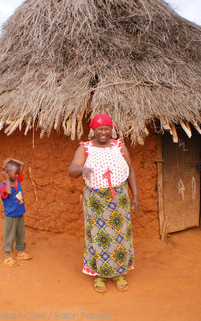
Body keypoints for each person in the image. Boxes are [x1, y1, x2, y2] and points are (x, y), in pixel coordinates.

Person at [68, 114, 140, 293]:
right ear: (93, 130)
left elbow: (130, 170)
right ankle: (100, 275)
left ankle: (118, 274)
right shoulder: (85, 149)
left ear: (111, 129)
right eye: (99, 129)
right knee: (98, 237)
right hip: (96, 202)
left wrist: (135, 196)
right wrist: (82, 168)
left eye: (107, 129)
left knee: (120, 236)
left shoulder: (119, 146)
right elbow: (72, 171)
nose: (103, 133)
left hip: (119, 199)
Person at [0, 158, 32, 267]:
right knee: (9, 235)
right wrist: (7, 178)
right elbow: (8, 192)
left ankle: (20, 252)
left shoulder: (17, 180)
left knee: (20, 233)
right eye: (15, 173)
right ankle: (7, 257)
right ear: (7, 174)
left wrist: (11, 159)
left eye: (18, 173)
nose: (18, 175)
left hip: (19, 213)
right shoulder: (4, 185)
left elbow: (22, 163)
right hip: (11, 215)